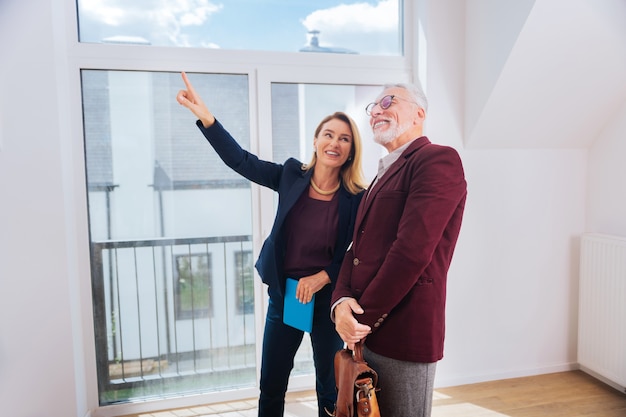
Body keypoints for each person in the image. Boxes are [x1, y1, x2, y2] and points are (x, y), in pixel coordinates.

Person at [176, 72, 367, 417]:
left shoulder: (356, 197)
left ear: (351, 150)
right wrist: (206, 118)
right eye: (328, 134)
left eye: (344, 139)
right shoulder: (291, 174)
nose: (335, 143)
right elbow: (241, 161)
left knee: (330, 385)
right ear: (315, 141)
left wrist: (323, 277)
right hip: (287, 296)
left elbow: (358, 255)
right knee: (273, 383)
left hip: (328, 302)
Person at [331, 83, 467, 417]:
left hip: (404, 333)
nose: (376, 111)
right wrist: (341, 303)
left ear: (419, 113)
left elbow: (411, 252)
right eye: (372, 107)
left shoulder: (438, 160)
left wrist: (359, 320)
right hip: (367, 330)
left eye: (387, 101)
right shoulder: (379, 175)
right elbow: (355, 248)